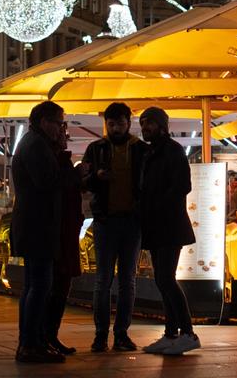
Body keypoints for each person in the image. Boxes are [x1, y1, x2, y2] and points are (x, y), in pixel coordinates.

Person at [81, 102, 149, 353]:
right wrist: (96, 178)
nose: (116, 128)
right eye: (111, 124)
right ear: (106, 124)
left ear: (128, 123)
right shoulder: (96, 148)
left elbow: (148, 184)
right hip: (105, 222)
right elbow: (83, 182)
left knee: (127, 281)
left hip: (132, 222)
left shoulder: (141, 150)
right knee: (103, 280)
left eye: (120, 123)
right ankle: (101, 335)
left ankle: (121, 334)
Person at [137, 107, 200, 356]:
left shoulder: (172, 151)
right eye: (142, 123)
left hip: (169, 225)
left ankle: (187, 333)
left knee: (165, 279)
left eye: (149, 123)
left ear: (162, 125)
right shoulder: (151, 152)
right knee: (162, 280)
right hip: (157, 225)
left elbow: (182, 185)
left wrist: (158, 204)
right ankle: (171, 333)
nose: (145, 128)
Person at [11, 101, 65, 364]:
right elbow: (48, 182)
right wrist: (73, 173)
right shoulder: (36, 146)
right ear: (45, 121)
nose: (60, 129)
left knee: (34, 285)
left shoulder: (32, 142)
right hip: (38, 225)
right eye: (58, 123)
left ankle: (30, 341)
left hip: (33, 224)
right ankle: (30, 343)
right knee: (40, 285)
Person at [46, 121, 84, 356]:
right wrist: (78, 176)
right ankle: (46, 337)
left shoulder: (58, 157)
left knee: (60, 286)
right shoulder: (52, 157)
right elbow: (53, 188)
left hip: (64, 231)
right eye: (61, 128)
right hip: (58, 233)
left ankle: (49, 336)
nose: (65, 133)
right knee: (55, 287)